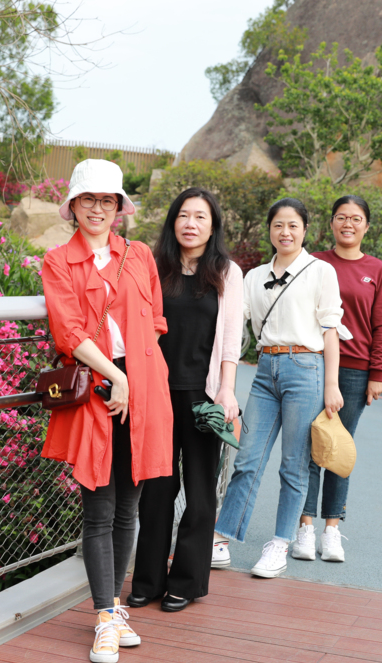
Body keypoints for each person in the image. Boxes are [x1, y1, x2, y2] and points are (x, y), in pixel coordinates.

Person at [40, 159, 173, 663]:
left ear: (119, 207)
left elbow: (155, 320)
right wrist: (115, 376)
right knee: (98, 509)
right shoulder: (58, 261)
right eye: (88, 199)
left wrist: (135, 377)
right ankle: (103, 618)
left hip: (143, 390)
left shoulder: (139, 255)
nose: (98, 208)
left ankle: (115, 611)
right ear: (73, 205)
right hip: (98, 388)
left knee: (128, 509)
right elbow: (68, 330)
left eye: (107, 200)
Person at [211, 197, 350, 578]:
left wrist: (332, 384)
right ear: (269, 230)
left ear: (305, 230)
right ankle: (221, 538)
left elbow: (330, 329)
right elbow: (232, 324)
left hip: (306, 368)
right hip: (265, 368)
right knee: (247, 459)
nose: (285, 232)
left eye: (292, 225)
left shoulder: (320, 271)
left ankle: (279, 544)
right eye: (278, 225)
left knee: (294, 465)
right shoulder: (253, 276)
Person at [127, 187, 243, 612]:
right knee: (157, 489)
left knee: (200, 490)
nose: (190, 224)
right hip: (157, 392)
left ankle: (188, 581)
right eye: (183, 215)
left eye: (200, 217)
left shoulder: (227, 273)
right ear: (172, 222)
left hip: (203, 395)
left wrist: (227, 390)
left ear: (213, 227)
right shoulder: (154, 268)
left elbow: (230, 339)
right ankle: (148, 580)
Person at [291, 195, 382, 563]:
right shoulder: (314, 262)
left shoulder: (377, 270)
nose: (347, 224)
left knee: (337, 447)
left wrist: (377, 374)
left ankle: (331, 529)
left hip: (354, 371)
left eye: (355, 218)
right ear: (331, 222)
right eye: (341, 217)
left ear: (367, 226)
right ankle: (305, 527)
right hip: (312, 363)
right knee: (308, 447)